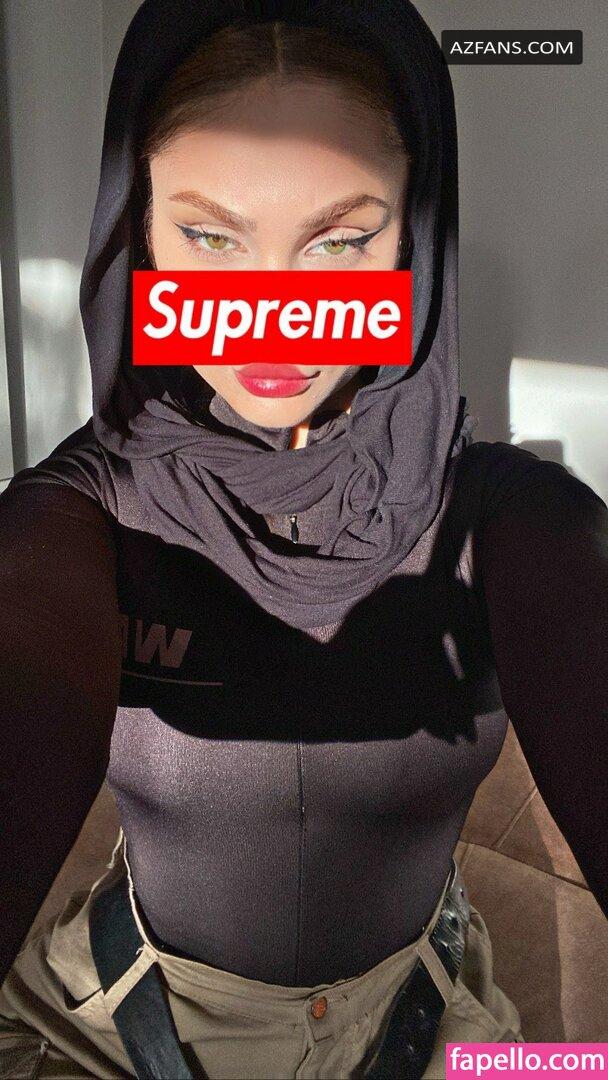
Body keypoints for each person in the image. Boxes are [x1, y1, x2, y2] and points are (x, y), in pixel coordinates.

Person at [0, 1, 606, 1077]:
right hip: (99, 1020)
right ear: (141, 235)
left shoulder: (514, 520)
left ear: (409, 237)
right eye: (210, 237)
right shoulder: (78, 513)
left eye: (337, 239)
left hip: (435, 1020)